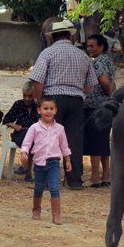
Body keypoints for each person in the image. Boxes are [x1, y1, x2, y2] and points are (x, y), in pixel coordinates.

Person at [29, 20, 97, 190]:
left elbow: (38, 80)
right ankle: (74, 180)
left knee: (48, 138)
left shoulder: (47, 53)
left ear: (52, 37)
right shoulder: (83, 55)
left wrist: (40, 101)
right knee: (74, 141)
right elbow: (90, 85)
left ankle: (45, 180)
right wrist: (79, 92)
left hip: (53, 99)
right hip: (76, 100)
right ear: (70, 35)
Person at [20, 96, 72, 225]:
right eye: (45, 108)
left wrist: (68, 160)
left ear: (55, 110)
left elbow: (64, 146)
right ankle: (36, 209)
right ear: (39, 110)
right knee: (39, 188)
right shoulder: (34, 128)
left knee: (54, 188)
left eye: (51, 109)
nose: (48, 111)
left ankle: (56, 215)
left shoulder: (60, 128)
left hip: (54, 162)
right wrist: (24, 152)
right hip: (39, 163)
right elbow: (27, 142)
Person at [83, 34, 114, 188]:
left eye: (92, 46)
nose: (89, 49)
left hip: (95, 106)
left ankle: (95, 177)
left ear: (101, 46)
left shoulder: (97, 63)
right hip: (107, 107)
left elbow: (105, 81)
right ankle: (106, 175)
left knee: (95, 142)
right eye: (87, 46)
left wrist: (108, 93)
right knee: (102, 142)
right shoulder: (108, 60)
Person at [3, 81, 40, 181]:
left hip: (35, 135)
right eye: (25, 95)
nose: (27, 99)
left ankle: (26, 169)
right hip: (20, 133)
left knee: (32, 137)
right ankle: (27, 170)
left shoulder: (38, 106)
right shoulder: (18, 104)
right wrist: (14, 125)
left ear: (35, 95)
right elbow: (6, 120)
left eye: (30, 96)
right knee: (28, 135)